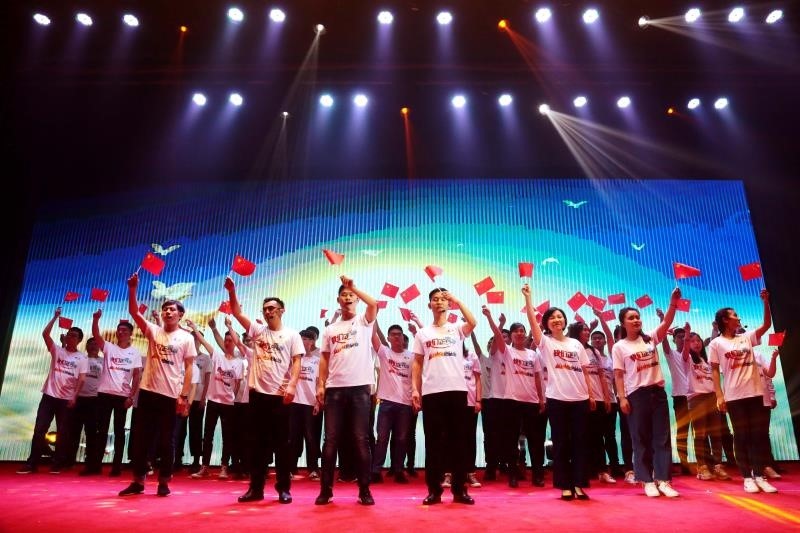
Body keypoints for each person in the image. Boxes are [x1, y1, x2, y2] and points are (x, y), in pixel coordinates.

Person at [225, 276, 303, 504]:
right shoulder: (258, 331)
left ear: (281, 310)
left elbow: (297, 362)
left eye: (272, 308)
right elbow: (237, 312)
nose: (268, 312)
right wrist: (232, 291)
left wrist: (292, 386)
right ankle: (256, 488)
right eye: (265, 309)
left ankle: (283, 489)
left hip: (280, 397)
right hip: (258, 396)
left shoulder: (292, 335)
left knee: (282, 445)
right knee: (256, 445)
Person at [119, 273, 196, 497]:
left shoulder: (186, 338)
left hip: (170, 395)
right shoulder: (154, 330)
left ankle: (164, 481)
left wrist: (184, 396)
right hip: (147, 392)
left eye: (172, 310)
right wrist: (133, 289)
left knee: (166, 441)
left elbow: (189, 368)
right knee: (141, 439)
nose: (168, 312)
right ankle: (138, 481)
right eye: (165, 309)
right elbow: (134, 312)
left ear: (180, 315)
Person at [523, 286, 595, 501]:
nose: (556, 319)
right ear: (546, 323)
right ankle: (565, 485)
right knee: (561, 443)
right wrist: (528, 298)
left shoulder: (576, 344)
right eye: (552, 317)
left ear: (564, 321)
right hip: (557, 399)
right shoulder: (546, 343)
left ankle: (579, 484)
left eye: (559, 316)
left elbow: (585, 371)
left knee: (581, 442)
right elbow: (532, 323)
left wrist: (591, 395)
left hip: (580, 399)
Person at [612, 288, 681, 498]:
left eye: (638, 317)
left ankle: (663, 480)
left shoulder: (650, 338)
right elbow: (619, 375)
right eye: (631, 318)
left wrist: (673, 302)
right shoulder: (620, 347)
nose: (636, 320)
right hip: (636, 396)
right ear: (623, 323)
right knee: (640, 438)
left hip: (657, 393)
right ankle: (646, 480)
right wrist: (622, 398)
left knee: (662, 437)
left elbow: (667, 323)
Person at [411, 287, 478, 505]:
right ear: (429, 305)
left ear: (449, 304)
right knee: (434, 443)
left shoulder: (456, 328)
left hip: (457, 391)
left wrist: (456, 298)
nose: (439, 302)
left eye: (442, 299)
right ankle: (434, 490)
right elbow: (417, 363)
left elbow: (473, 322)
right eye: (435, 299)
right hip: (432, 392)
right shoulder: (423, 333)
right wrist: (415, 389)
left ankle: (459, 490)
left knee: (459, 442)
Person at [315, 276, 378, 506]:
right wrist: (320, 385)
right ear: (338, 300)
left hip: (360, 388)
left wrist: (354, 287)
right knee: (331, 440)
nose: (348, 297)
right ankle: (325, 490)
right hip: (335, 389)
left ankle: (364, 490)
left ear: (356, 299)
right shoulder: (330, 329)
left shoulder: (364, 321)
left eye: (351, 295)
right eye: (344, 295)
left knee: (361, 440)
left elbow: (374, 304)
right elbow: (324, 358)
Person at [709, 289, 777, 493]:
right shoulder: (716, 343)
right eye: (734, 315)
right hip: (734, 396)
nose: (738, 318)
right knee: (741, 435)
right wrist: (719, 396)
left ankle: (760, 476)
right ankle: (747, 477)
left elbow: (766, 325)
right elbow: (714, 371)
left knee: (757, 435)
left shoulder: (746, 337)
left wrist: (765, 302)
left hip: (755, 393)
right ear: (725, 320)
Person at [18, 308, 88, 474]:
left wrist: (74, 397)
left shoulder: (82, 358)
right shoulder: (58, 350)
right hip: (49, 396)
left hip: (66, 399)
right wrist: (55, 317)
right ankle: (32, 463)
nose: (70, 337)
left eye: (74, 336)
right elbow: (45, 334)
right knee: (39, 429)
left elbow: (81, 379)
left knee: (63, 432)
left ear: (79, 340)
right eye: (69, 334)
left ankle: (58, 463)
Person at [483, 308, 545, 488]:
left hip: (532, 402)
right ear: (510, 336)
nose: (519, 333)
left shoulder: (533, 354)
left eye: (522, 330)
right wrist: (491, 318)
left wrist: (541, 399)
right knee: (511, 439)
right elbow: (497, 335)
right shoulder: (507, 352)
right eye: (516, 331)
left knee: (535, 440)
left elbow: (537, 377)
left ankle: (538, 474)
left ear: (525, 334)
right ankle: (512, 475)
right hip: (512, 401)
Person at [189, 320, 243, 480]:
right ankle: (204, 466)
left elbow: (237, 384)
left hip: (228, 404)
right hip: (213, 401)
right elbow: (205, 342)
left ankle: (224, 467)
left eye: (231, 340)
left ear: (235, 342)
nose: (227, 342)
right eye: (226, 340)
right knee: (208, 435)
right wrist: (194, 328)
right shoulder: (217, 356)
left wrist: (231, 397)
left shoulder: (239, 363)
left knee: (227, 436)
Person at [90, 311, 142, 477]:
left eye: (124, 330)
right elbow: (96, 335)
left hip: (122, 396)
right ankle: (95, 465)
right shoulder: (109, 347)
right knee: (101, 430)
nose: (121, 332)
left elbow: (137, 376)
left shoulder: (134, 353)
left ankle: (117, 466)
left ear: (130, 334)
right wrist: (96, 319)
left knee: (119, 431)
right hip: (104, 393)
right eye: (119, 330)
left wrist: (131, 396)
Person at [682, 327, 729, 481]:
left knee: (716, 434)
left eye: (698, 340)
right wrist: (687, 335)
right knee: (700, 435)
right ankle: (702, 467)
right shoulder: (688, 359)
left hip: (712, 398)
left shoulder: (707, 361)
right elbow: (685, 351)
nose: (696, 343)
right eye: (692, 341)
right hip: (697, 399)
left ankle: (717, 466)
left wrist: (720, 397)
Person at [568, 321, 612, 485]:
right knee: (581, 436)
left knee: (598, 436)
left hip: (598, 398)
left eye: (588, 330)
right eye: (584, 330)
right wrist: (589, 395)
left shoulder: (594, 351)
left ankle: (602, 470)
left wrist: (606, 396)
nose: (588, 332)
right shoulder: (572, 349)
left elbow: (601, 375)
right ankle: (584, 470)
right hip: (581, 398)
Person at [370, 323, 414, 484]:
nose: (396, 337)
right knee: (382, 438)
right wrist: (373, 317)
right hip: (386, 403)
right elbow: (373, 335)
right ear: (388, 338)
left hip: (405, 404)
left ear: (403, 338)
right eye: (393, 334)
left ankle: (398, 470)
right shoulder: (384, 352)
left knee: (401, 439)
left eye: (399, 334)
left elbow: (416, 378)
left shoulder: (412, 356)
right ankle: (376, 471)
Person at [656, 310, 692, 475]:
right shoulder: (672, 355)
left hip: (697, 396)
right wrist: (662, 320)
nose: (683, 339)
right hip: (680, 397)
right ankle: (684, 464)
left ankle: (704, 463)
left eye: (685, 337)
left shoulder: (694, 356)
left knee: (701, 431)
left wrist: (688, 334)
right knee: (683, 431)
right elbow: (663, 341)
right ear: (674, 339)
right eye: (679, 337)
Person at [288, 328, 322, 480]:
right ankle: (290, 468)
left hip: (310, 403)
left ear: (312, 342)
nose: (303, 342)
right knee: (293, 436)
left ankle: (313, 469)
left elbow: (320, 383)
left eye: (307, 339)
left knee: (311, 437)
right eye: (301, 339)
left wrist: (318, 402)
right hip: (294, 402)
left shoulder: (317, 361)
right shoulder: (293, 360)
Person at [71, 337, 102, 475]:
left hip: (95, 400)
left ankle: (90, 463)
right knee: (73, 431)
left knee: (92, 433)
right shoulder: (81, 359)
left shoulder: (104, 361)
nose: (93, 345)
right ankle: (69, 460)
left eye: (96, 343)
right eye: (91, 343)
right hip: (78, 398)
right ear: (86, 346)